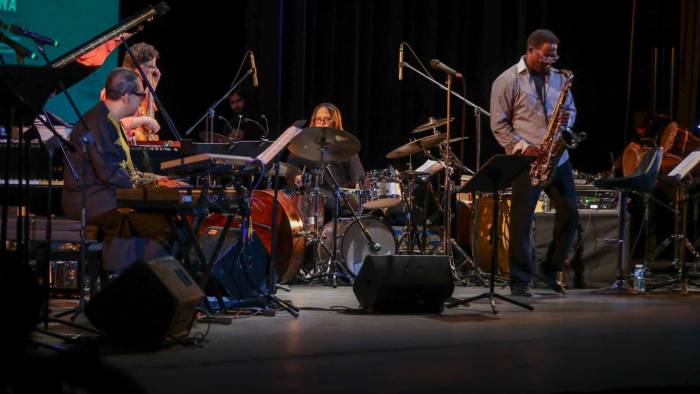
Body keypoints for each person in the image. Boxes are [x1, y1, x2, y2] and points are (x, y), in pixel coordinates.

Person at [63, 67, 180, 273]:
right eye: (141, 95)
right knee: (160, 226)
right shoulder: (97, 122)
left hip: (107, 193)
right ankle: (140, 280)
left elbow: (127, 172)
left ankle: (138, 279)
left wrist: (158, 179)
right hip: (90, 198)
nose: (143, 100)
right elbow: (111, 174)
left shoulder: (111, 121)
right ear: (126, 97)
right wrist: (154, 186)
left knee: (164, 218)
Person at [490, 29, 578, 296]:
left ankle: (549, 268)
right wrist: (522, 147)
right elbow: (498, 124)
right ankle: (519, 280)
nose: (551, 60)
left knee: (571, 215)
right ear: (530, 50)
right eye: (546, 55)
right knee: (521, 222)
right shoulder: (507, 80)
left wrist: (566, 122)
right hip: (528, 160)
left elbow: (571, 110)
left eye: (554, 54)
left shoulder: (560, 79)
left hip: (558, 157)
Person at [287, 102, 365, 219]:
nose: (322, 122)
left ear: (335, 121)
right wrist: (296, 176)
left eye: (326, 119)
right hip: (311, 197)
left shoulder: (347, 146)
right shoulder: (303, 144)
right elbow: (290, 168)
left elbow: (358, 174)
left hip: (338, 198)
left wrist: (359, 185)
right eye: (318, 119)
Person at [100, 42, 162, 143]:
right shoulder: (114, 92)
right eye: (152, 67)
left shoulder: (138, 93)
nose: (155, 71)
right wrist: (145, 120)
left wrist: (152, 87)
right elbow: (114, 126)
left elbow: (148, 128)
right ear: (141, 67)